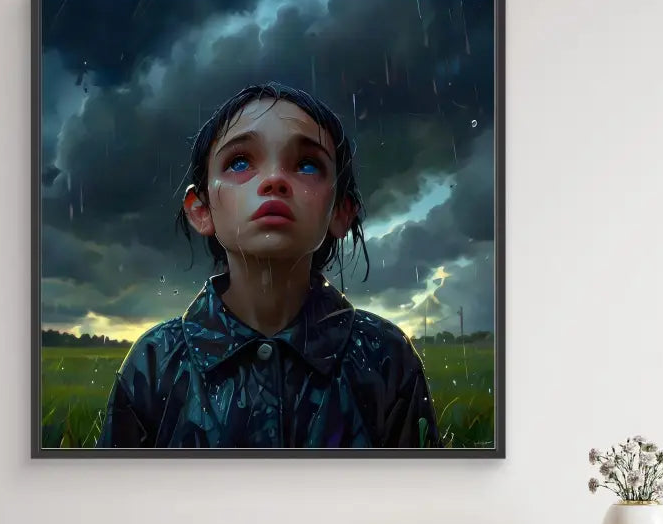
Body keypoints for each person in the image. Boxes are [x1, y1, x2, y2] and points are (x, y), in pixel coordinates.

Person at [96, 81, 441, 449]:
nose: (274, 180)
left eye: (307, 165)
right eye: (240, 162)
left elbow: (419, 499)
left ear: (341, 210)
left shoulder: (384, 356)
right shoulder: (156, 361)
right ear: (201, 209)